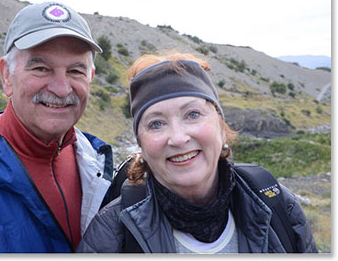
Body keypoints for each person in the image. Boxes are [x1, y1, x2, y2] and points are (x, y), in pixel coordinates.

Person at [76, 52, 318, 253]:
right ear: (142, 146)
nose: (179, 138)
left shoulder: (277, 205)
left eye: (192, 114)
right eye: (156, 123)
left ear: (222, 128)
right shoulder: (111, 234)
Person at [0, 2, 114, 253]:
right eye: (41, 69)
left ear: (90, 77)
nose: (61, 88)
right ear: (7, 75)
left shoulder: (99, 168)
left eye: (75, 71)